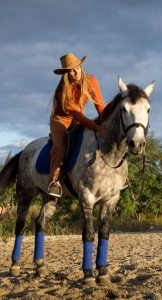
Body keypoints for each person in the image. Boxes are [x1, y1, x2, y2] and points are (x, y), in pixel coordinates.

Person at [48, 53, 108, 198]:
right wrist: (95, 126)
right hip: (61, 120)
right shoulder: (62, 91)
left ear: (81, 67)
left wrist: (105, 121)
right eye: (71, 70)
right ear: (65, 74)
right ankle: (54, 182)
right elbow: (77, 114)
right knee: (59, 146)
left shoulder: (91, 81)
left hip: (77, 119)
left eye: (78, 68)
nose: (76, 72)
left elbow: (100, 105)